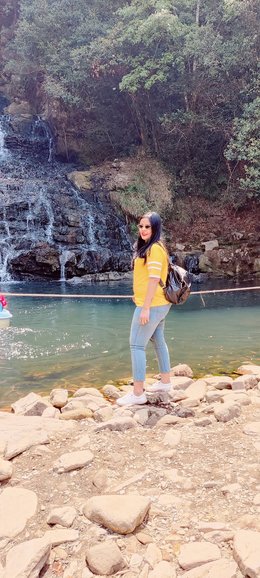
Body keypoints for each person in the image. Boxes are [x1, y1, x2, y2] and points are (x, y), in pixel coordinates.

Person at [117, 211, 172, 406]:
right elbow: (146, 278)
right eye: (141, 226)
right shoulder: (152, 247)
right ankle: (165, 382)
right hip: (159, 303)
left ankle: (138, 393)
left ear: (155, 228)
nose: (143, 229)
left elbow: (154, 279)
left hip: (152, 305)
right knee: (158, 341)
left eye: (147, 226)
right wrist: (138, 295)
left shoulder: (154, 249)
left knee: (136, 345)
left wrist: (145, 307)